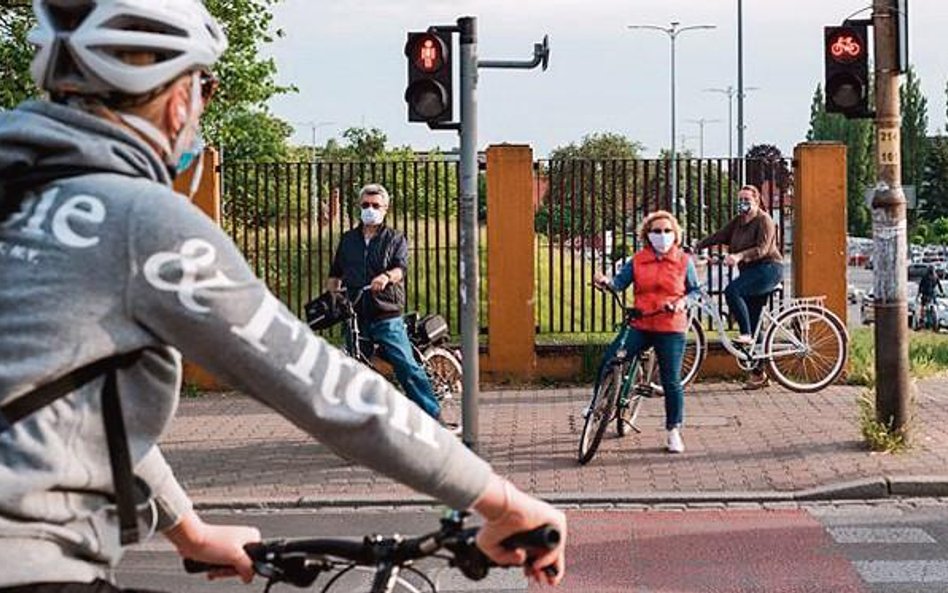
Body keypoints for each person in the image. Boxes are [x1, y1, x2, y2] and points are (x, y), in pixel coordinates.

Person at [0, 2, 565, 591]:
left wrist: (189, 530)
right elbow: (326, 387)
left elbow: (74, 408)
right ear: (176, 100)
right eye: (205, 88)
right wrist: (505, 503)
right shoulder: (136, 221)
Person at [325, 183, 446, 425]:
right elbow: (335, 273)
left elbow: (401, 268)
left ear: (385, 209)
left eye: (375, 205)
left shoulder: (395, 238)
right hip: (355, 314)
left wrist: (386, 277)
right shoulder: (348, 240)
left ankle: (434, 417)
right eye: (365, 205)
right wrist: (332, 297)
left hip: (386, 313)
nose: (370, 209)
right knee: (354, 370)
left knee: (405, 367)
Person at [593, 210, 700, 454]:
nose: (662, 236)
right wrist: (605, 282)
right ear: (647, 235)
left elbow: (694, 291)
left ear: (675, 235)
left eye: (666, 231)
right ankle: (596, 405)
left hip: (670, 326)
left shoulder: (683, 261)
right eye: (656, 231)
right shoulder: (638, 260)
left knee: (671, 380)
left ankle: (673, 430)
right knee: (610, 359)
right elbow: (619, 283)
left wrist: (682, 303)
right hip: (640, 324)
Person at [695, 185, 783, 390]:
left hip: (767, 269)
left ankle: (745, 335)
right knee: (753, 320)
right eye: (740, 199)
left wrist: (738, 256)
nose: (742, 203)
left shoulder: (764, 220)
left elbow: (762, 249)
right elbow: (720, 235)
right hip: (750, 272)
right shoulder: (738, 222)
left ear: (757, 201)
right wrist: (699, 245)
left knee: (732, 291)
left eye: (746, 199)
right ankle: (758, 374)